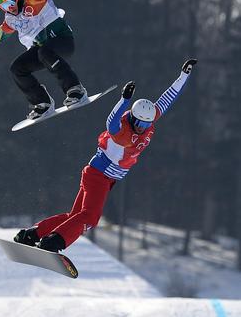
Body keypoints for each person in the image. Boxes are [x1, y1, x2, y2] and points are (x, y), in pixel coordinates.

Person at [13, 59, 197, 252]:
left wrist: (184, 75)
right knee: (90, 218)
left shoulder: (148, 120)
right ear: (133, 116)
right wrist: (124, 100)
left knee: (76, 216)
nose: (142, 128)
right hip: (100, 176)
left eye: (146, 125)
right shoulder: (121, 130)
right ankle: (53, 242)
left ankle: (31, 235)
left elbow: (168, 98)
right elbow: (111, 121)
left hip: (101, 177)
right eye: (139, 123)